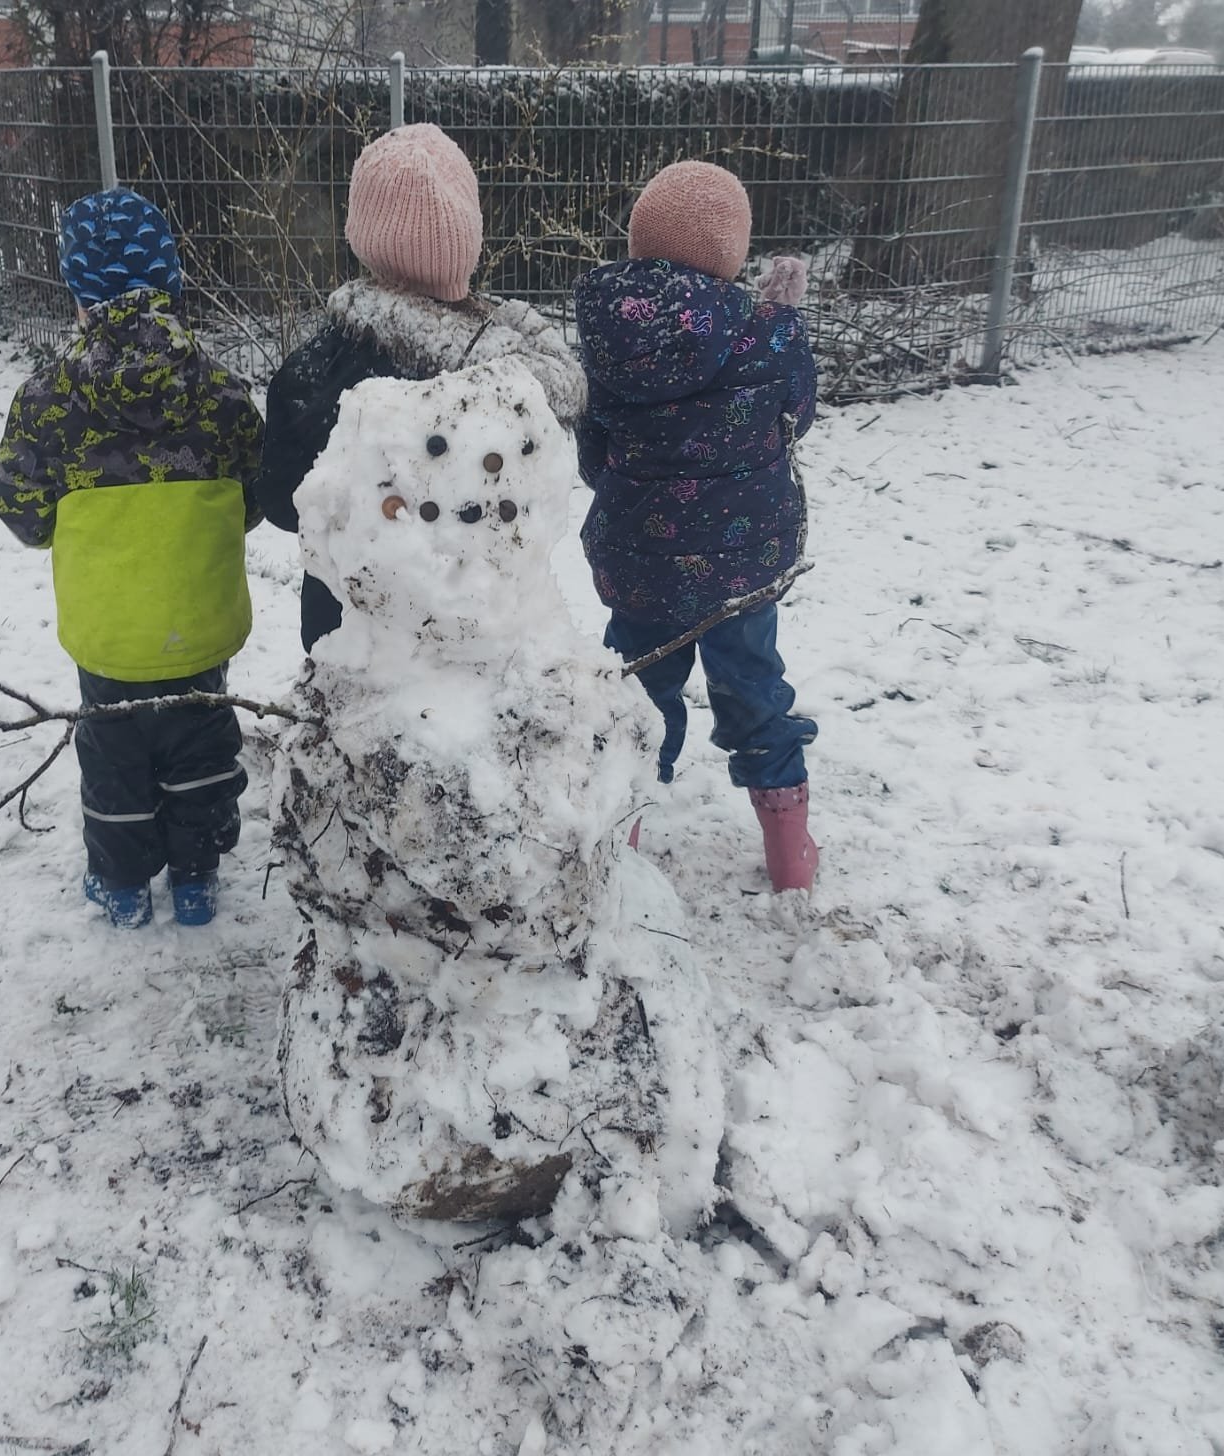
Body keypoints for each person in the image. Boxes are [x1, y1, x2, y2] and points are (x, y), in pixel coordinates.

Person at [0, 188, 264, 929]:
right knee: (200, 746)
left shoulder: (47, 399)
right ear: (171, 282)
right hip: (200, 624)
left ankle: (120, 887)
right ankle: (198, 875)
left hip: (106, 637)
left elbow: (20, 508)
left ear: (79, 295)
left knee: (114, 759)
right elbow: (254, 494)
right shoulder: (221, 393)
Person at [573, 161, 820, 893]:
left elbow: (594, 452)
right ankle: (790, 857)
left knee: (636, 697)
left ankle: (622, 846)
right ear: (731, 253)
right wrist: (785, 322)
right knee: (753, 687)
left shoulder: (610, 333)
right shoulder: (766, 336)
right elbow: (795, 417)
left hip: (639, 563)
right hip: (741, 571)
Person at [255, 122, 586, 653]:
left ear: (363, 238)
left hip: (350, 635)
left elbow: (278, 500)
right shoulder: (515, 387)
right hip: (479, 642)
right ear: (468, 237)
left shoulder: (310, 373)